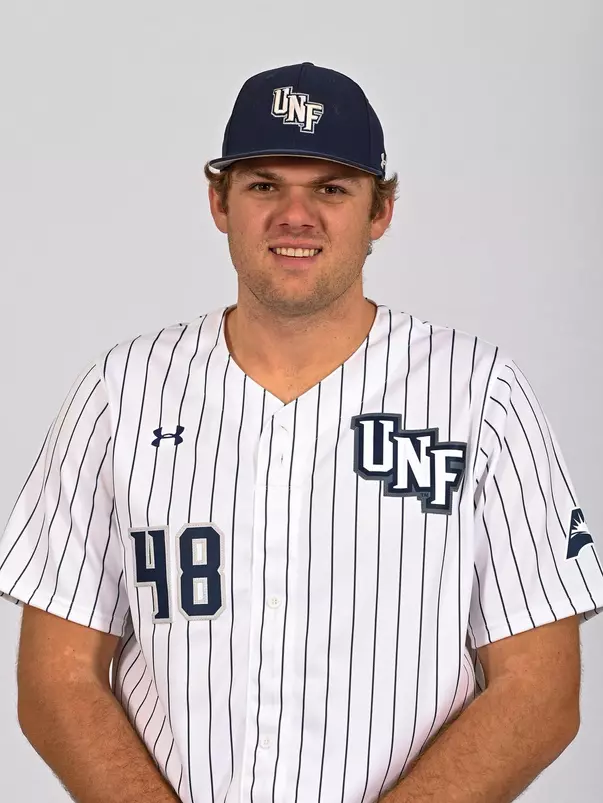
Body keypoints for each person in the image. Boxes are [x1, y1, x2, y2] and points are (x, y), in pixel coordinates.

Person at [0, 61, 601, 803]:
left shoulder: (479, 396)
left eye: (330, 189)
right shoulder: (120, 393)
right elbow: (57, 678)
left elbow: (538, 690)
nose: (295, 216)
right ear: (219, 201)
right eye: (264, 186)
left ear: (380, 210)